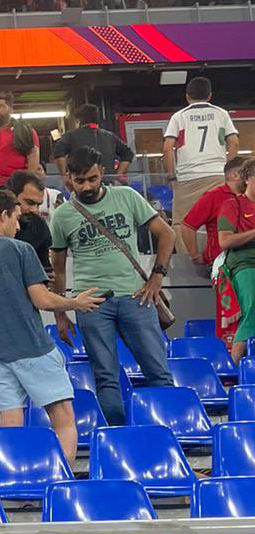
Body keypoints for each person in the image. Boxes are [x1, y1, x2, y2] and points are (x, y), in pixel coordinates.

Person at [0, 190, 102, 465]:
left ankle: (18, 483)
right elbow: (43, 300)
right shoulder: (21, 250)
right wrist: (76, 302)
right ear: (3, 216)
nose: (19, 225)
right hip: (33, 350)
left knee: (10, 429)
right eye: (16, 218)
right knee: (63, 419)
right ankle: (59, 480)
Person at [50, 147, 175, 425]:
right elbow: (58, 272)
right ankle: (117, 437)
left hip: (136, 297)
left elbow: (167, 233)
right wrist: (60, 314)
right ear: (68, 177)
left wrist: (157, 277)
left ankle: (168, 435)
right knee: (106, 377)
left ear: (102, 172)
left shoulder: (127, 196)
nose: (87, 186)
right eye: (80, 181)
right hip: (90, 302)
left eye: (92, 179)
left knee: (158, 370)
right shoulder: (61, 216)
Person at [162, 77, 239, 256]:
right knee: (222, 220)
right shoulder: (221, 114)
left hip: (188, 178)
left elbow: (167, 148)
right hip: (218, 176)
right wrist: (228, 171)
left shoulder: (179, 117)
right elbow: (234, 142)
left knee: (182, 223)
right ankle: (222, 260)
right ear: (210, 95)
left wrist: (172, 177)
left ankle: (188, 262)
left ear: (187, 96)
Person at [184, 157, 245, 345]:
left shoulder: (249, 197)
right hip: (224, 268)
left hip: (247, 264)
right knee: (230, 316)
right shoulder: (214, 197)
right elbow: (187, 225)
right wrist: (195, 255)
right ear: (235, 174)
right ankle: (231, 360)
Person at [218, 160, 255, 363]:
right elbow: (225, 241)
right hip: (244, 264)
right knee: (253, 308)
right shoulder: (232, 205)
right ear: (248, 179)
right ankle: (235, 363)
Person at [51, 104, 133, 182]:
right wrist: (117, 175)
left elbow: (58, 152)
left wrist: (64, 177)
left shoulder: (71, 136)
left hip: (83, 184)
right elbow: (128, 153)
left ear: (78, 121)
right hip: (108, 185)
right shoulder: (111, 136)